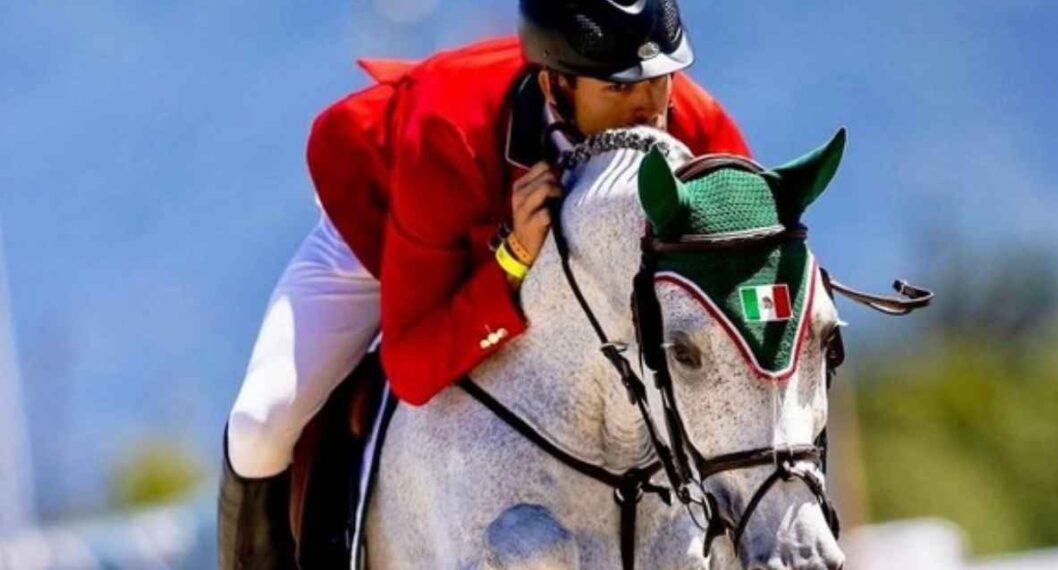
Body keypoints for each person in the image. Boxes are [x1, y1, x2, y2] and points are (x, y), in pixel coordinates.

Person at [218, 0, 752, 567]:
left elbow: (751, 265)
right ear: (555, 85)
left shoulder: (691, 122)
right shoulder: (447, 129)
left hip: (500, 233)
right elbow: (413, 366)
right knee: (262, 422)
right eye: (618, 90)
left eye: (660, 79)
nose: (649, 110)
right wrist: (514, 259)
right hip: (386, 216)